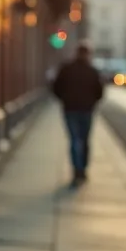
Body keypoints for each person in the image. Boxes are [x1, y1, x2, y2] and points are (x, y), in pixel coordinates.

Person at [51, 44, 104, 185]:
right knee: (85, 139)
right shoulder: (92, 71)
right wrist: (92, 102)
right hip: (86, 109)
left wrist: (64, 99)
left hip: (70, 109)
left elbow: (55, 87)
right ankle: (83, 169)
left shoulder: (66, 69)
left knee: (74, 140)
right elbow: (100, 92)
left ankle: (77, 169)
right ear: (88, 54)